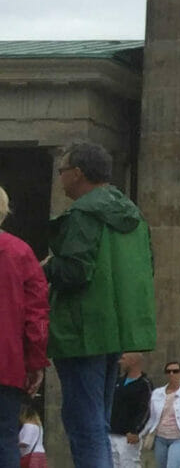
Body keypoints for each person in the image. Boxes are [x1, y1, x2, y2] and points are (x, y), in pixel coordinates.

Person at [45, 143, 157, 468]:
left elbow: (76, 270)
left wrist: (47, 267)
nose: (61, 177)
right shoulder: (132, 214)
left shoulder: (82, 213)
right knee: (99, 420)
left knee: (83, 421)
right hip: (115, 331)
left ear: (77, 173)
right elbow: (146, 267)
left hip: (82, 331)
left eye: (62, 170)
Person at [1, 186, 49, 468]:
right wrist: (35, 363)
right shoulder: (20, 252)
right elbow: (36, 315)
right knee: (5, 439)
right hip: (6, 364)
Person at [139, 361, 180, 468]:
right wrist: (140, 434)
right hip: (161, 438)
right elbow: (152, 418)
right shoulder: (157, 393)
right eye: (168, 371)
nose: (172, 374)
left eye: (175, 371)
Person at [107, 353, 152, 468]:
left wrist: (136, 431)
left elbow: (146, 410)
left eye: (123, 359)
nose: (120, 362)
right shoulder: (118, 382)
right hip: (112, 433)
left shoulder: (144, 384)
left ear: (133, 361)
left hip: (128, 436)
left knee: (129, 464)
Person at [18, 404, 46, 468]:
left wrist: (13, 445)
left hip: (30, 456)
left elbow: (25, 443)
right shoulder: (39, 427)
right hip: (41, 455)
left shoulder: (28, 426)